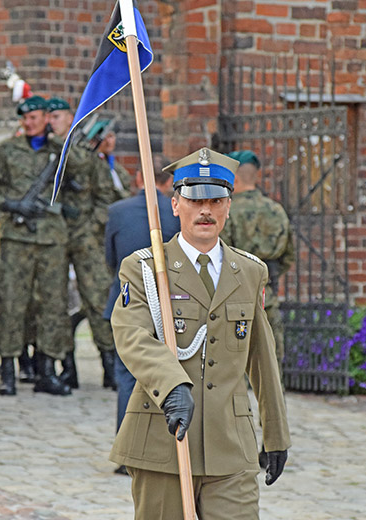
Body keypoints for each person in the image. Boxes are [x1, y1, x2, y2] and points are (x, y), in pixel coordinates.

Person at [110, 147, 291, 519]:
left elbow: (262, 357)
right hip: (165, 440)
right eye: (194, 200)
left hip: (231, 446)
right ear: (175, 205)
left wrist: (275, 434)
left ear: (229, 206)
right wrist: (172, 385)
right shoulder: (144, 269)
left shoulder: (249, 271)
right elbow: (133, 336)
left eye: (215, 200)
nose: (205, 211)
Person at [0, 95, 74, 396]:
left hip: (51, 238)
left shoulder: (61, 151)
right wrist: (13, 205)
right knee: (11, 303)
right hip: (16, 239)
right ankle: (8, 369)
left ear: (47, 118)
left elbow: (85, 174)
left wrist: (63, 141)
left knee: (52, 306)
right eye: (25, 118)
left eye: (35, 117)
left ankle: (46, 369)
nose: (29, 123)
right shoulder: (7, 150)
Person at [103, 154, 180, 475]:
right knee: (167, 375)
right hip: (167, 303)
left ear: (137, 179)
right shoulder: (176, 213)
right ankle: (162, 449)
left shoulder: (117, 211)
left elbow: (110, 258)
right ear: (168, 184)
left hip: (127, 298)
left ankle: (126, 452)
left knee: (127, 376)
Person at [49, 97, 120, 391]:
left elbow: (107, 198)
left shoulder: (86, 156)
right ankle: (64, 366)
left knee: (98, 298)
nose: (52, 121)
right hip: (49, 237)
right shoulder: (40, 153)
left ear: (69, 118)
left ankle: (109, 363)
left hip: (85, 238)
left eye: (57, 116)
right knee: (54, 304)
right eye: (49, 116)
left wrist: (91, 225)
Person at [221, 150, 295, 370]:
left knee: (233, 367)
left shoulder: (227, 211)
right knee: (271, 365)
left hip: (232, 295)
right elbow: (289, 255)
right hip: (266, 295)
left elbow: (220, 252)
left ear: (232, 178)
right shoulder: (276, 210)